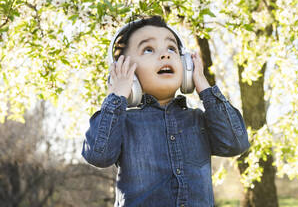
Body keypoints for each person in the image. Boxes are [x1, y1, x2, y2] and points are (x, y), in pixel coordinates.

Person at [81, 15, 250, 207]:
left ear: (187, 64)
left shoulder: (199, 119)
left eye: (172, 48)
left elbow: (236, 143)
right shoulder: (124, 123)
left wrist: (204, 87)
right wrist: (117, 95)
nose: (165, 55)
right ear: (126, 71)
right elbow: (98, 155)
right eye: (148, 50)